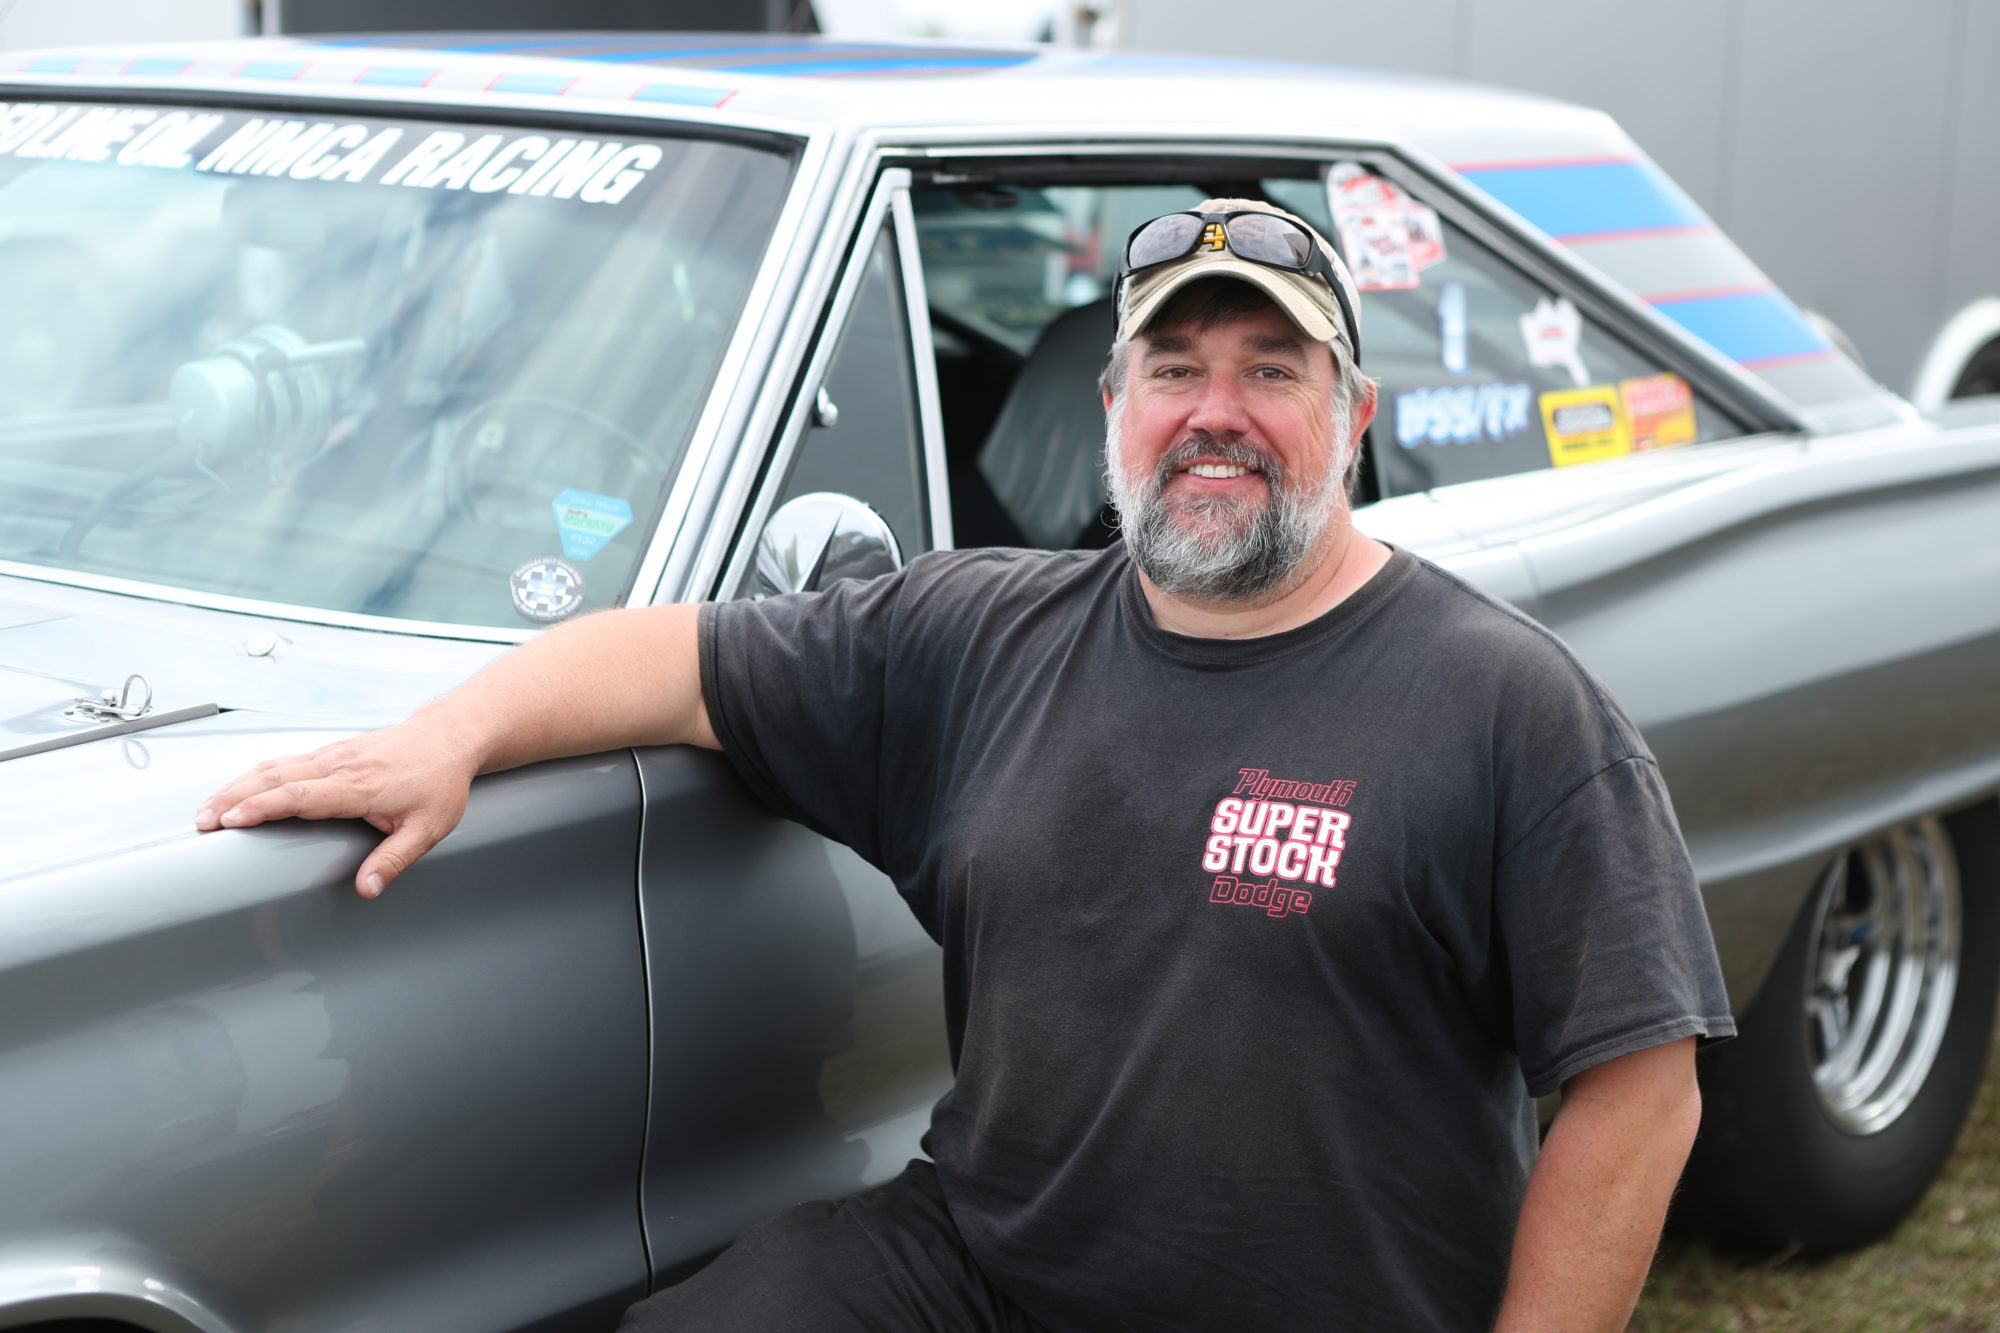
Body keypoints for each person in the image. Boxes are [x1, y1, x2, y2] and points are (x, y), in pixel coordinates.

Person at [196, 199, 1735, 1331]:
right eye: (1175, 369)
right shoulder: (977, 633)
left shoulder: (1506, 702)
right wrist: (447, 735)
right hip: (989, 1269)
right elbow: (676, 656)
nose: (1217, 413)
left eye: (1274, 370)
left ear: (1354, 419)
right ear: (1113, 410)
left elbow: (1639, 1088)